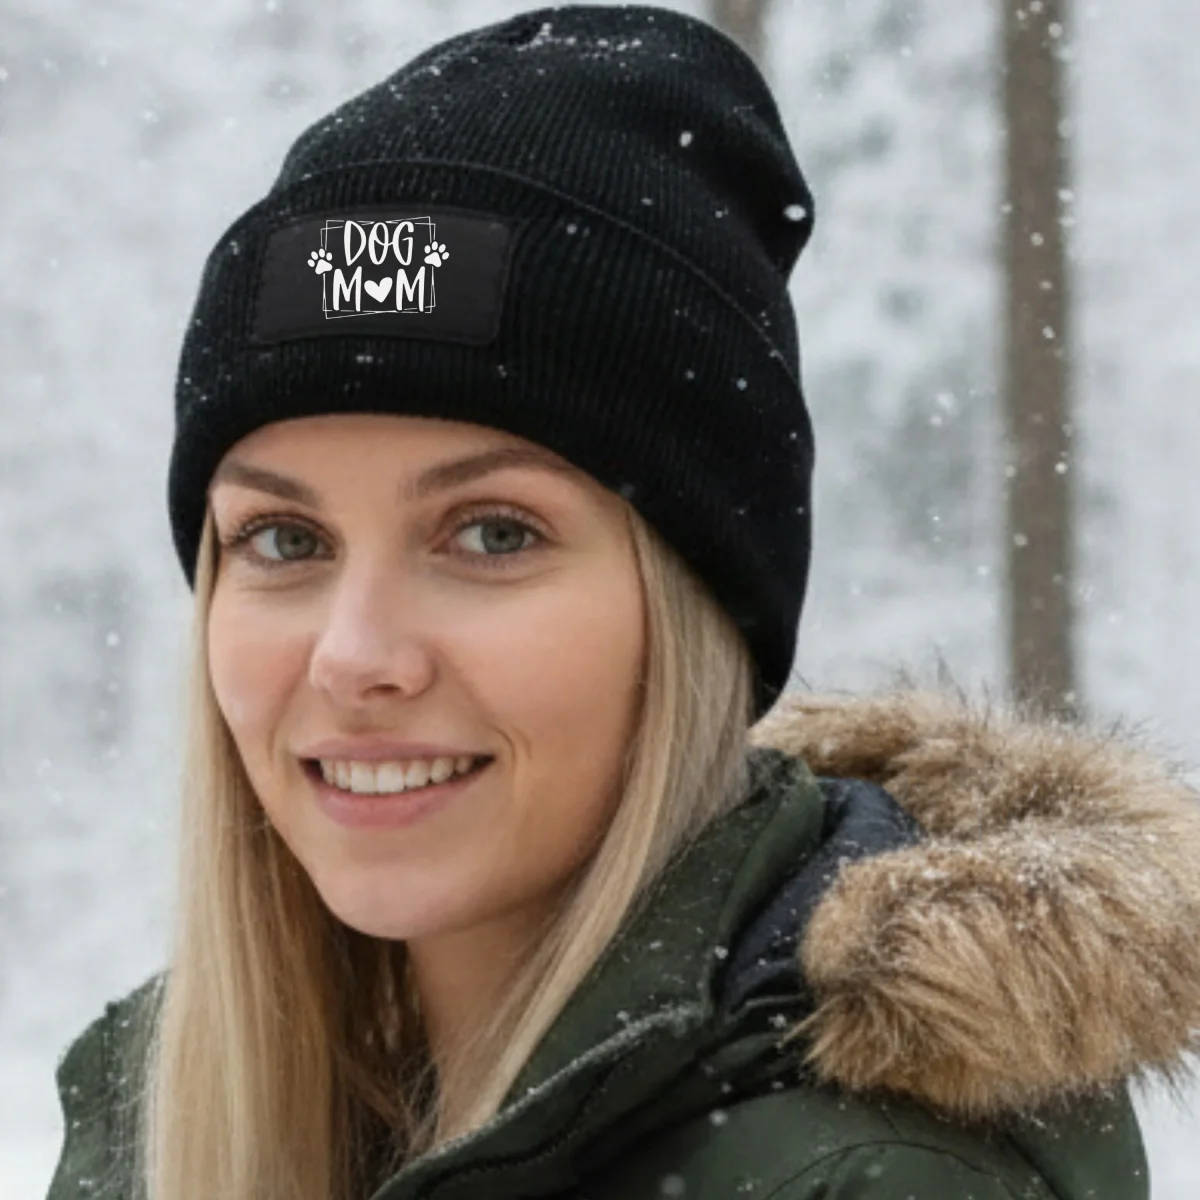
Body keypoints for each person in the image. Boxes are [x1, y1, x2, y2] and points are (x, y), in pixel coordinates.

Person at [45, 5, 1200, 1199]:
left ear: (694, 608)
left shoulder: (857, 1182)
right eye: (286, 540)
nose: (355, 655)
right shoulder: (162, 1135)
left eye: (493, 534)